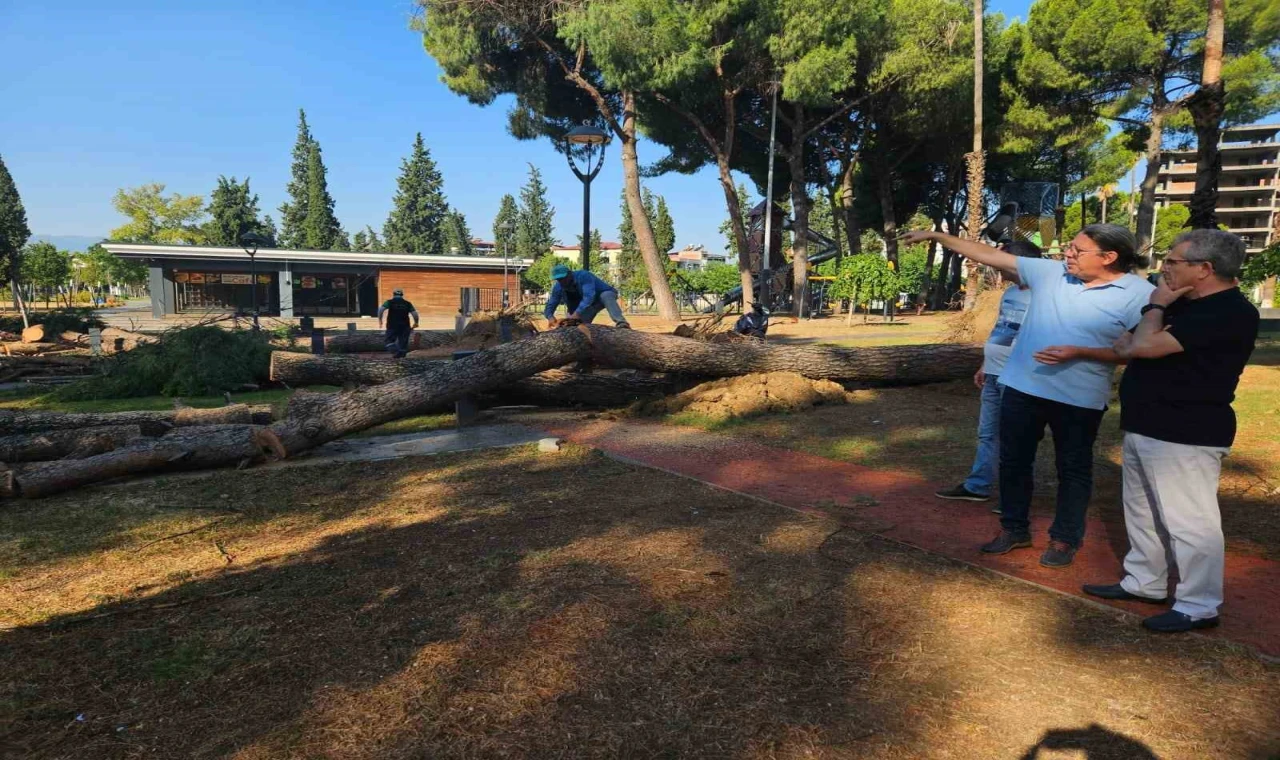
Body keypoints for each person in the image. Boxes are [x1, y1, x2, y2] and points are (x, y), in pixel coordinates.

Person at [902, 225, 1153, 568]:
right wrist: (938, 238)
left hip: (1079, 399)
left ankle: (1065, 538)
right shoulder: (1052, 273)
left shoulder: (1139, 294)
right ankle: (1013, 528)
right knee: (1014, 461)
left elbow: (1138, 351)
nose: (1068, 254)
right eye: (1070, 247)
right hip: (1022, 388)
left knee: (1074, 469)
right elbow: (989, 254)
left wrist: (1080, 352)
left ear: (1109, 257)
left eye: (1079, 251)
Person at [1080, 230, 1258, 633]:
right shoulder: (1185, 307)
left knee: (1189, 521)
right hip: (1148, 422)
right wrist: (1151, 325)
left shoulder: (1228, 311)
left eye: (1174, 262)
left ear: (1204, 269)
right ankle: (1145, 581)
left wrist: (1155, 307)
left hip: (1187, 430)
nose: (1165, 268)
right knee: (1142, 512)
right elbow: (1128, 345)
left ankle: (1199, 604)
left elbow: (1141, 347)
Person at [935, 240, 1042, 509]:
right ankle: (978, 486)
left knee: (1016, 437)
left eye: (999, 258)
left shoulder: (1045, 295)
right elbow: (1001, 330)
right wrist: (985, 364)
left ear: (1019, 262)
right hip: (994, 374)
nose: (994, 264)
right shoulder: (1010, 293)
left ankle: (1013, 497)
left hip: (1019, 377)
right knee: (987, 434)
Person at [544, 264, 631, 329]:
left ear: (570, 273)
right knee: (575, 326)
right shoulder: (558, 287)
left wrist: (576, 313)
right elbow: (552, 303)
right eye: (559, 279)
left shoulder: (584, 276)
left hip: (600, 297)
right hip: (587, 306)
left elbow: (589, 297)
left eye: (563, 278)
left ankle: (621, 323)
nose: (562, 281)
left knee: (606, 295)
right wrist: (550, 316)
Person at [378, 289, 419, 358]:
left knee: (389, 340)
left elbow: (381, 310)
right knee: (403, 343)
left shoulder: (389, 302)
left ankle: (396, 352)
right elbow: (415, 314)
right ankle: (401, 358)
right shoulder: (407, 303)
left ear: (393, 294)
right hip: (405, 325)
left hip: (392, 325)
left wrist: (380, 320)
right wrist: (416, 323)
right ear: (402, 295)